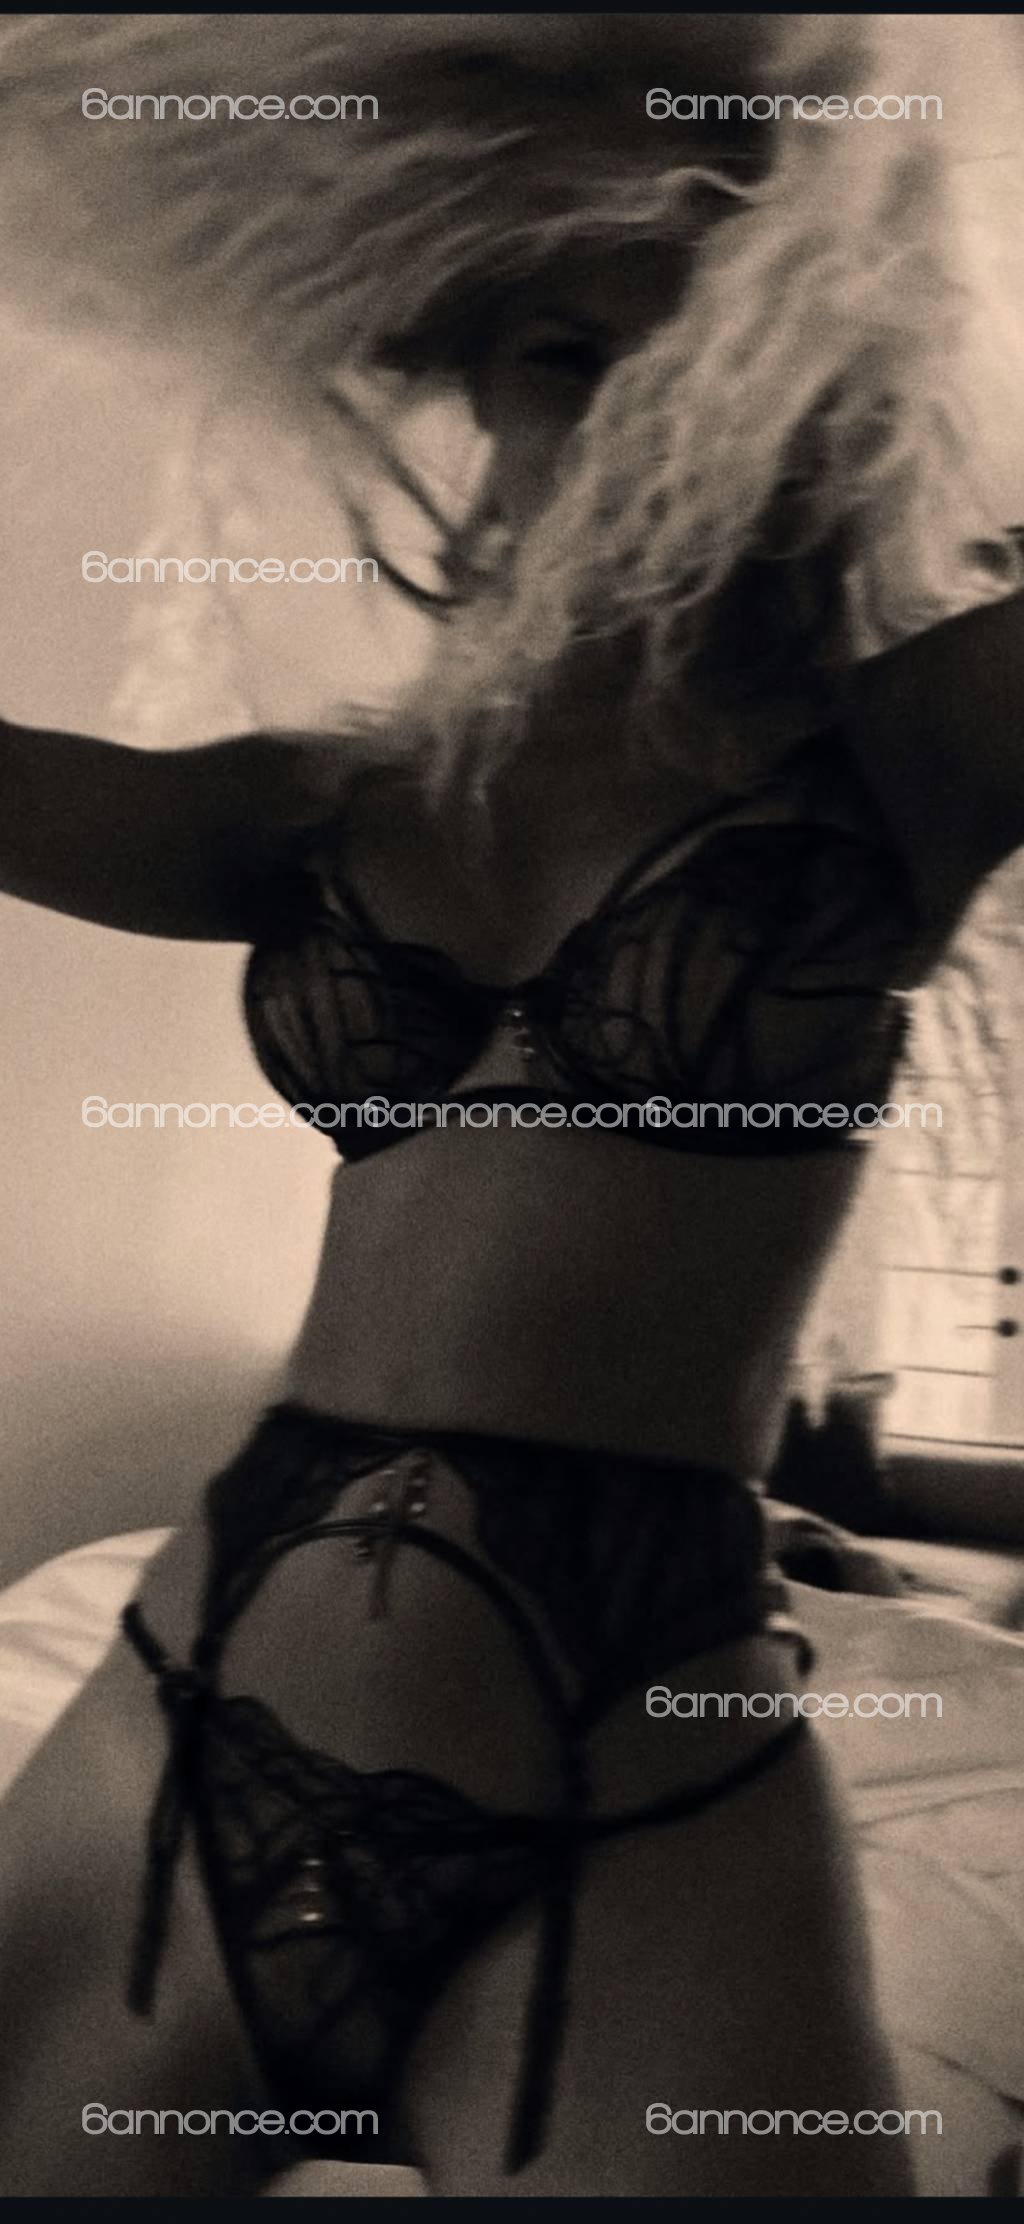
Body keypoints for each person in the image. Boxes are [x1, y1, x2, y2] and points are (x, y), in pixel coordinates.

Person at [1, 13, 1022, 2200]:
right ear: (465, 380)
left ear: (816, 387)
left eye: (706, 354)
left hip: (630, 1769)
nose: (633, 413)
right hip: (191, 1705)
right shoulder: (330, 808)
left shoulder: (908, 754)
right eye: (559, 356)